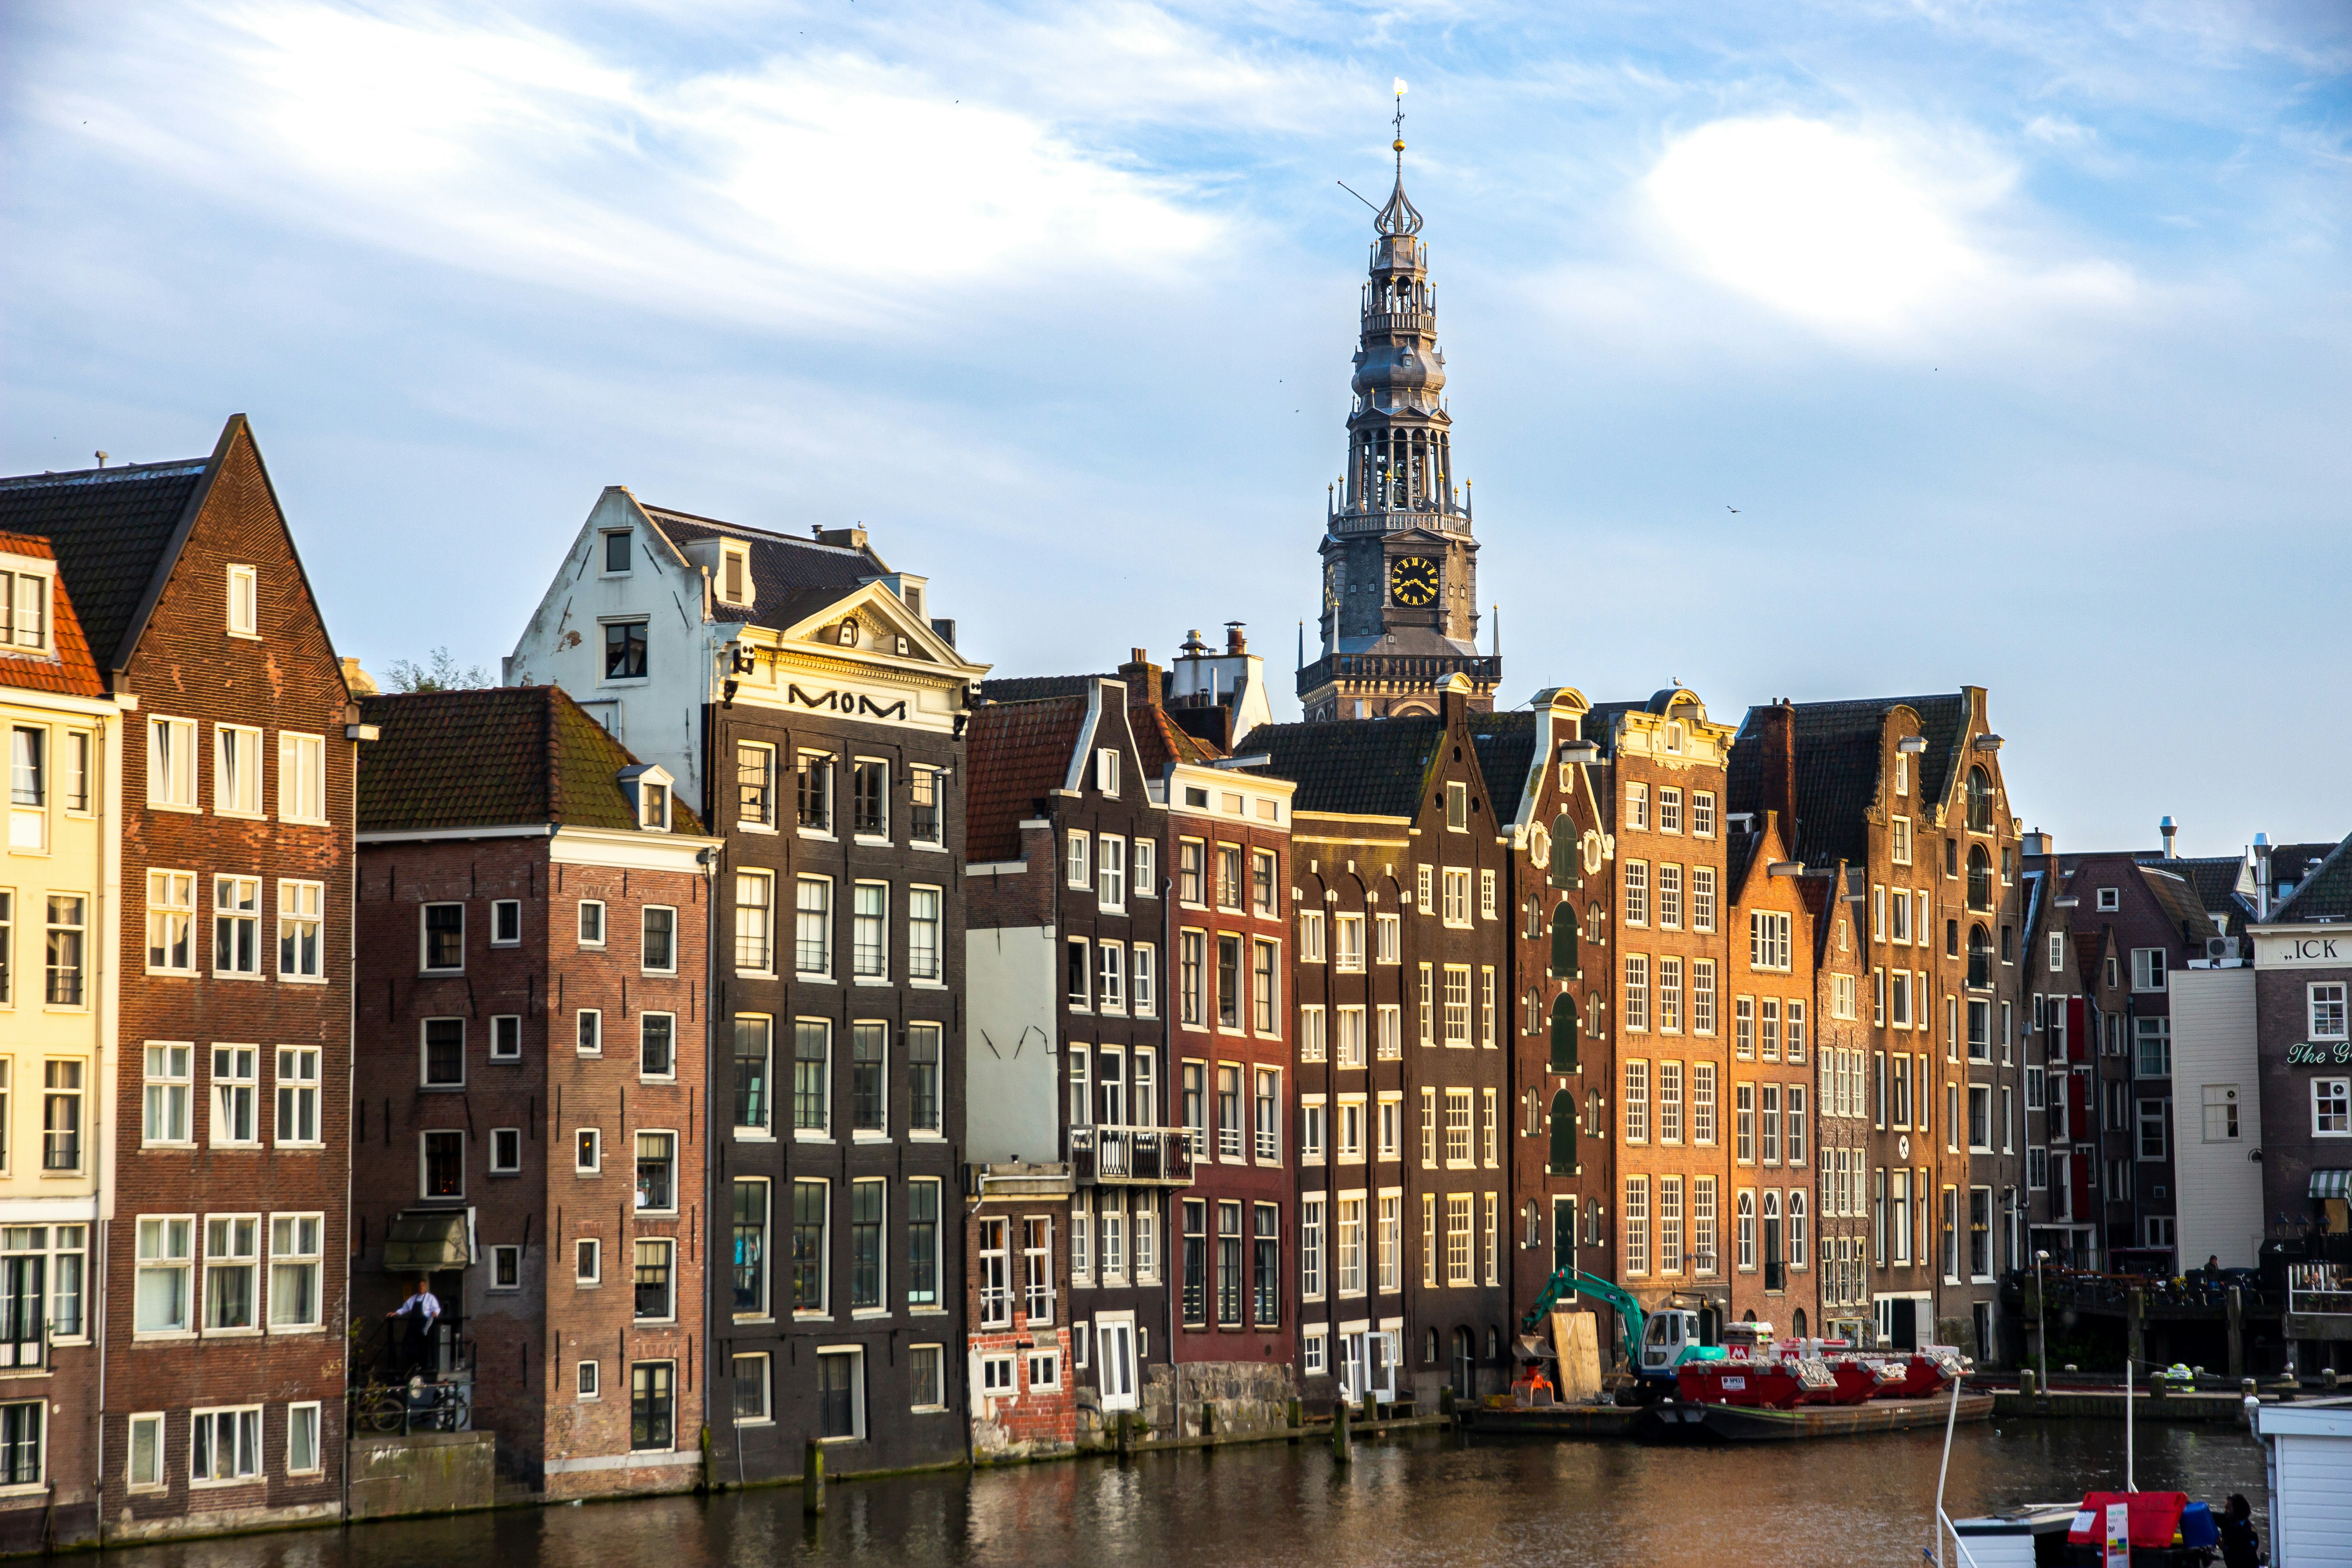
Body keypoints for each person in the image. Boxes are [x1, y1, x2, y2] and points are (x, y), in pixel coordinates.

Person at [386, 1278, 442, 1379]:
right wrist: (395, 1313)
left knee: (424, 1346)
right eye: (419, 1286)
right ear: (417, 1288)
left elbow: (436, 1309)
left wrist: (435, 1314)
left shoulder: (430, 1298)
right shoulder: (413, 1299)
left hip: (424, 1325)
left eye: (423, 1286)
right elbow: (405, 1308)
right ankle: (412, 1365)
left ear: (426, 1287)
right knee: (410, 1344)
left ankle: (424, 1366)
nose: (421, 1288)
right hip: (413, 1326)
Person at [2218, 1493, 2259, 1568]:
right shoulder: (2227, 1520)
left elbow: (2243, 1560)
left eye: (2228, 1509)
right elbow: (2206, 1514)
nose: (2226, 1512)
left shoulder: (2249, 1533)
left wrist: (2224, 1548)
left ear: (2238, 1510)